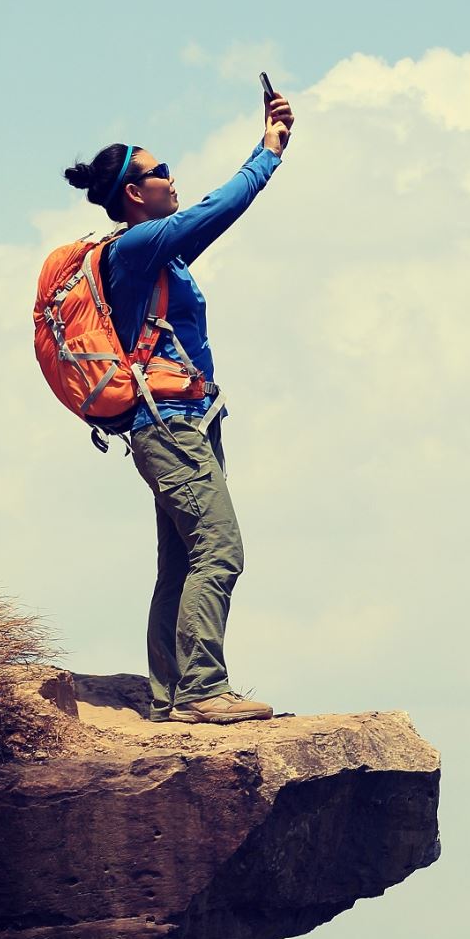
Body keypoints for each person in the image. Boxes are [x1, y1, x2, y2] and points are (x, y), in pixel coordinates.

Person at [60, 88, 295, 724]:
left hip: (185, 421)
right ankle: (201, 692)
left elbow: (205, 222)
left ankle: (171, 695)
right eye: (162, 172)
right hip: (167, 427)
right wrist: (267, 153)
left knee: (184, 562)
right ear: (136, 192)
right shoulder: (135, 250)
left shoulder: (157, 255)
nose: (172, 178)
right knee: (221, 551)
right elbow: (221, 208)